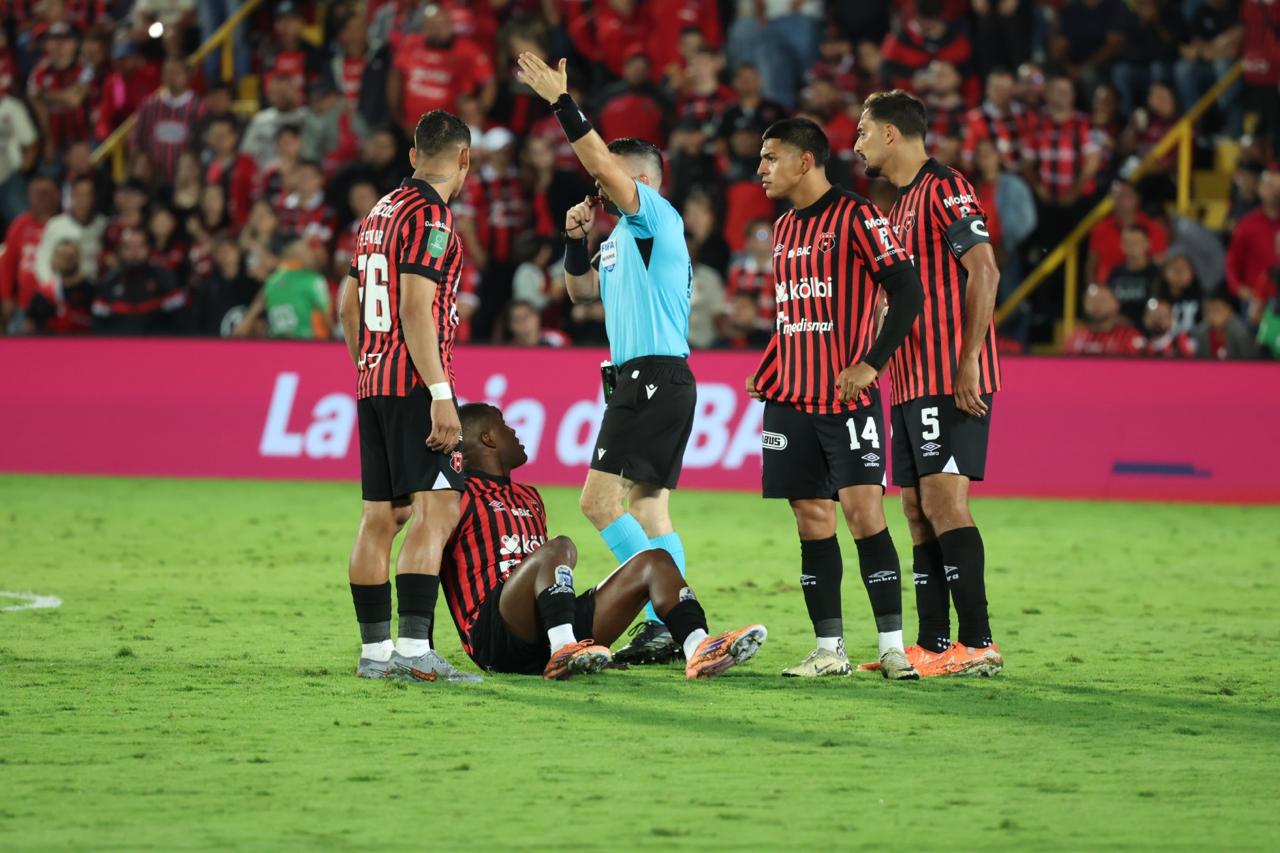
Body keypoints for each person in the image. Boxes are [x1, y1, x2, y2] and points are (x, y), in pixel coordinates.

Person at [517, 51, 698, 665]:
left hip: (652, 377)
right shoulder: (622, 237)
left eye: (613, 172)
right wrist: (574, 243)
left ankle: (664, 613)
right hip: (655, 378)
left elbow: (595, 156)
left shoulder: (653, 218)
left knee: (597, 503)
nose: (600, 180)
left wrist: (560, 104)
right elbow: (577, 293)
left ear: (639, 180)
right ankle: (669, 626)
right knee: (648, 505)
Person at [750, 117, 925, 679]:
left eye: (771, 157)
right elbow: (793, 314)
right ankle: (830, 651)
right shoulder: (781, 230)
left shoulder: (857, 215)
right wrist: (770, 365)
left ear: (806, 161)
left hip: (848, 398)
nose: (761, 169)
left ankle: (893, 646)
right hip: (790, 397)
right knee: (810, 518)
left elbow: (907, 289)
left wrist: (872, 362)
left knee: (863, 513)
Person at [439, 403, 767, 680]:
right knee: (560, 547)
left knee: (654, 561)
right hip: (495, 635)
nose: (515, 432)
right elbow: (429, 564)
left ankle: (698, 646)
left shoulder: (529, 496)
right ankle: (564, 649)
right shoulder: (455, 495)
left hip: (548, 622)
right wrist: (418, 643)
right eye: (506, 426)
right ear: (488, 438)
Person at [854, 89, 1005, 678]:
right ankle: (935, 644)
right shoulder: (897, 207)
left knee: (945, 501)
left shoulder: (945, 187)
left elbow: (984, 269)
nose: (857, 143)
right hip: (912, 382)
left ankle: (979, 642)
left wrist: (969, 360)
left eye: (864, 132)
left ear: (892, 133)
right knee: (916, 507)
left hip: (950, 376)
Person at [336, 109, 480, 683]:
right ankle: (416, 651)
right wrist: (439, 393)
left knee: (381, 517)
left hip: (373, 382)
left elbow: (347, 307)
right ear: (464, 160)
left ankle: (375, 656)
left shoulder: (378, 212)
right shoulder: (431, 215)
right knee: (437, 510)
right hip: (415, 384)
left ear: (414, 155)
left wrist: (368, 368)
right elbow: (416, 308)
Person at [236, 240, 333, 340]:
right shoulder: (313, 280)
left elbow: (243, 326)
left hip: (279, 346)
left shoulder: (271, 282)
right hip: (309, 343)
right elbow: (327, 317)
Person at [1061, 283, 1143, 356]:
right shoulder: (1075, 337)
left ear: (1116, 304)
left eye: (1102, 300)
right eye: (1091, 301)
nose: (1096, 304)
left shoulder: (1129, 337)